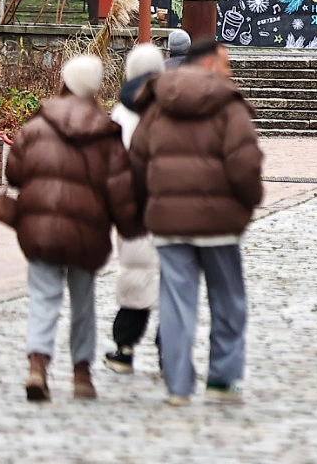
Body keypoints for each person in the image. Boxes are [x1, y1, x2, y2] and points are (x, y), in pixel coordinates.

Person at [128, 38, 264, 407]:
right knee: (228, 301)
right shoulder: (229, 105)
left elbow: (137, 161)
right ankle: (223, 379)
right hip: (219, 224)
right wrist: (248, 202)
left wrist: (147, 204)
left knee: (176, 304)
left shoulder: (157, 104)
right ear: (208, 64)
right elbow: (245, 164)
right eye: (226, 63)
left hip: (169, 223)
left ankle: (178, 386)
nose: (229, 71)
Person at [7, 54, 143, 402]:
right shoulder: (106, 133)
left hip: (40, 228)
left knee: (44, 297)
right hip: (87, 231)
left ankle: (38, 366)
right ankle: (81, 374)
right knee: (83, 302)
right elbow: (120, 191)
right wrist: (130, 228)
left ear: (66, 81)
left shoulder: (37, 125)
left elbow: (14, 173)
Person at [104, 43, 167, 375]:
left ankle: (124, 347)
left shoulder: (120, 112)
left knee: (135, 273)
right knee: (171, 280)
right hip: (168, 203)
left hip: (131, 205)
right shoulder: (172, 107)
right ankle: (169, 350)